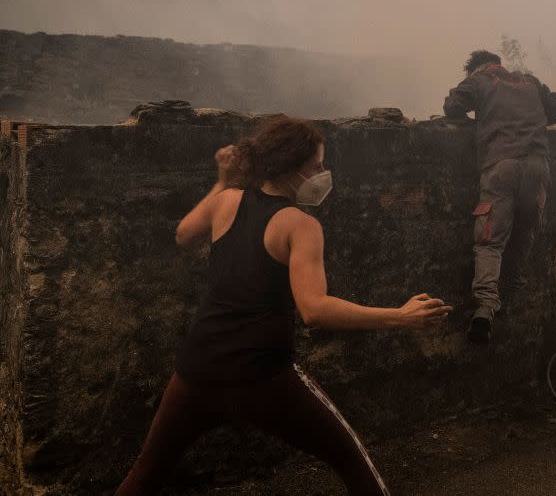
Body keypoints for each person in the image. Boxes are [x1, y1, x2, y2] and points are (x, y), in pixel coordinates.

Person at [116, 117, 452, 495]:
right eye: (317, 167)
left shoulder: (226, 202)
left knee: (145, 476)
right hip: (261, 375)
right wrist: (401, 317)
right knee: (354, 463)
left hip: (198, 368)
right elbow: (315, 310)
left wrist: (222, 182)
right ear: (291, 167)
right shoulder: (299, 225)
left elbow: (182, 235)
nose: (324, 175)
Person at [443, 50, 556, 343]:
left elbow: (451, 107)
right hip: (538, 168)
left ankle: (486, 307)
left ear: (475, 68)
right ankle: (512, 298)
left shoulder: (479, 81)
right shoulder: (530, 82)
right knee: (523, 234)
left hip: (501, 167)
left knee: (490, 241)